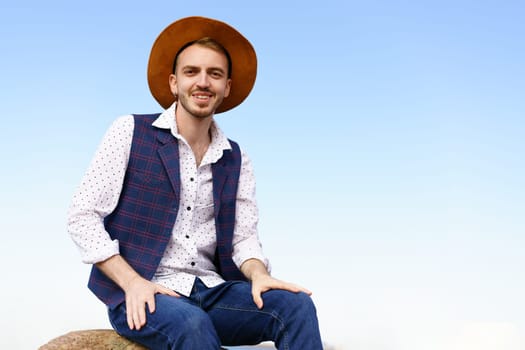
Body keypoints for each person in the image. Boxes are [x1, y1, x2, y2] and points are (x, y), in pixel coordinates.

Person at [68, 16, 323, 349]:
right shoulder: (129, 131)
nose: (203, 82)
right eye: (192, 72)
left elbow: (243, 238)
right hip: (146, 291)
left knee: (295, 306)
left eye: (214, 74)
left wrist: (260, 275)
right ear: (174, 83)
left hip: (213, 291)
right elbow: (82, 217)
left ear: (226, 87)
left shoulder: (236, 157)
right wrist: (131, 283)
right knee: (192, 323)